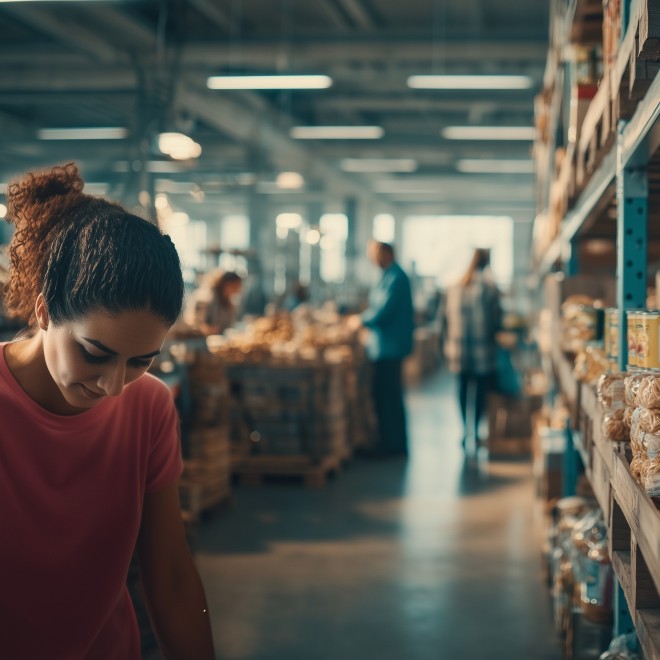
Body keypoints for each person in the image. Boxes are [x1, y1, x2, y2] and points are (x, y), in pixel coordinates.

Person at [0, 163, 215, 659]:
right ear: (44, 310)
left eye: (141, 361)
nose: (114, 386)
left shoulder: (151, 407)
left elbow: (173, 580)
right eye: (95, 354)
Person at [352, 241, 414, 456]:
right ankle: (389, 441)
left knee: (389, 397)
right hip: (382, 346)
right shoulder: (386, 276)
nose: (371, 258)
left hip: (390, 347)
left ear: (386, 253)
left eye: (374, 253)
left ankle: (393, 444)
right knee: (384, 395)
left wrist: (359, 321)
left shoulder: (396, 278)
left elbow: (382, 311)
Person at [443, 248, 502, 450]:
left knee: (462, 389)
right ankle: (475, 431)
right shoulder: (489, 288)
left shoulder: (454, 286)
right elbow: (497, 320)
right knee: (479, 392)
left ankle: (463, 430)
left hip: (458, 349)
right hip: (482, 350)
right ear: (486, 263)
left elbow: (442, 320)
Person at [201, 270, 243, 335]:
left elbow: (230, 324)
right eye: (235, 287)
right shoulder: (207, 298)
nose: (237, 291)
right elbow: (196, 325)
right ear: (227, 285)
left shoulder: (228, 302)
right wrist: (207, 329)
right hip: (204, 342)